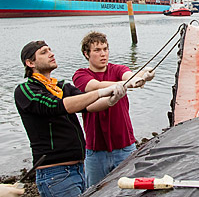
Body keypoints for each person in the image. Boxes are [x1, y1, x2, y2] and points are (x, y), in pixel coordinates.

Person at [14, 41, 127, 197]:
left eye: (50, 50)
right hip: (55, 173)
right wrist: (101, 92)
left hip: (78, 169)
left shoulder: (61, 87)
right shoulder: (26, 90)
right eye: (44, 52)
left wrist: (111, 100)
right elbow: (57, 106)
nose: (51, 54)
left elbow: (88, 105)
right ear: (30, 63)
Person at [72, 31, 155, 187]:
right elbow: (93, 86)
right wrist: (126, 84)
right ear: (86, 54)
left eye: (105, 49)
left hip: (125, 147)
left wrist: (142, 76)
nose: (103, 54)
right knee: (95, 191)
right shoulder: (80, 75)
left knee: (130, 191)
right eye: (97, 50)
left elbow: (128, 75)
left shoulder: (117, 69)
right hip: (95, 151)